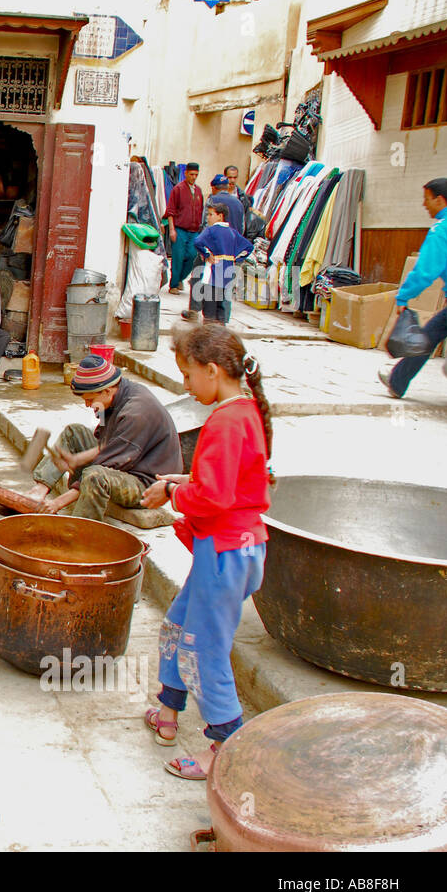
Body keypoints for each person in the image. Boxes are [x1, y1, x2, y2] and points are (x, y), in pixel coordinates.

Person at [139, 324, 272, 781]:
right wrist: (179, 483)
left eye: (188, 375)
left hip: (224, 554)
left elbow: (212, 497)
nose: (187, 385)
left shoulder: (224, 421)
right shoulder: (246, 412)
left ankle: (224, 747)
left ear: (212, 371)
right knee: (178, 624)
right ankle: (169, 711)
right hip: (237, 551)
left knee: (204, 651)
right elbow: (225, 486)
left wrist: (173, 496)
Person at [1, 355, 182, 522]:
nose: (88, 404)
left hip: (146, 484)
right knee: (74, 433)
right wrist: (78, 458)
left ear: (108, 391)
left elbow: (108, 465)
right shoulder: (110, 399)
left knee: (94, 476)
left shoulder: (136, 412)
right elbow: (105, 444)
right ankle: (38, 491)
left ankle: (80, 532)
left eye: (90, 399)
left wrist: (58, 502)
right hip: (125, 461)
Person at [379, 178, 447, 399]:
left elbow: (426, 270)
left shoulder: (442, 229)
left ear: (440, 199)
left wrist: (404, 296)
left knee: (427, 338)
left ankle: (397, 381)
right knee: (428, 336)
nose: (424, 204)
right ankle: (397, 381)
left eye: (426, 199)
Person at [189, 203, 253, 325]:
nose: (208, 217)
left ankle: (209, 332)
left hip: (213, 273)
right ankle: (221, 330)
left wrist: (207, 254)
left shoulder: (211, 230)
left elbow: (197, 242)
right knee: (221, 305)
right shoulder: (233, 232)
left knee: (209, 306)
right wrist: (235, 258)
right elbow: (249, 247)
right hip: (227, 273)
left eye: (211, 214)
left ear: (220, 216)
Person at [163, 163, 204, 296]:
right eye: (191, 174)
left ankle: (180, 278)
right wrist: (172, 230)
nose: (193, 177)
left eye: (196, 175)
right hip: (180, 229)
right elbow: (170, 211)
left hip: (194, 231)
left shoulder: (198, 191)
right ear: (185, 173)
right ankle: (174, 284)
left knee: (192, 256)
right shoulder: (178, 189)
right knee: (178, 257)